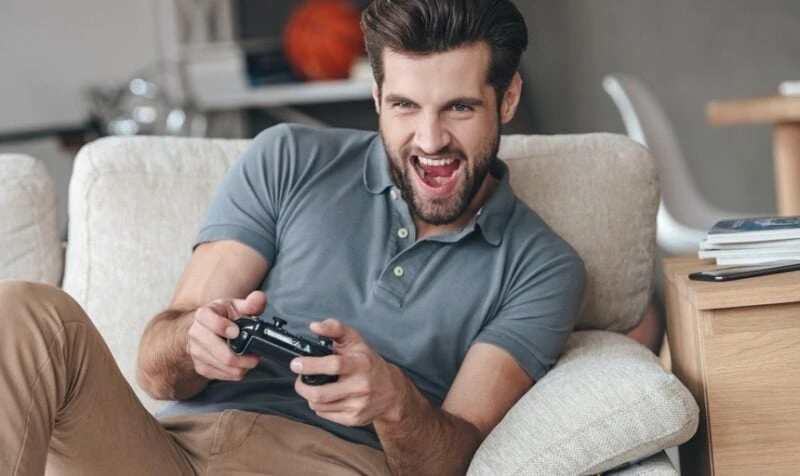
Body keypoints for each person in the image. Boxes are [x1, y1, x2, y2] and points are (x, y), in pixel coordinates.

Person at [0, 0, 586, 474]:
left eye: (458, 108)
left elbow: (456, 456)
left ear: (505, 99)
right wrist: (193, 344)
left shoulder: (540, 267)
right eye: (405, 106)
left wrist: (392, 400)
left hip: (330, 464)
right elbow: (156, 369)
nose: (429, 139)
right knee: (23, 309)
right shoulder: (289, 157)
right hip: (167, 453)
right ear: (378, 99)